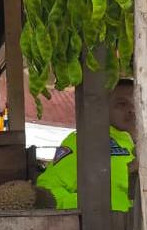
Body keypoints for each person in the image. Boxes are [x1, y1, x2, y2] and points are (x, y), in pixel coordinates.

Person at [35, 78, 137, 212]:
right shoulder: (86, 140)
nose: (131, 109)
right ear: (104, 108)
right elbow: (48, 189)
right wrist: (90, 206)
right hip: (104, 229)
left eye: (137, 103)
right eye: (122, 104)